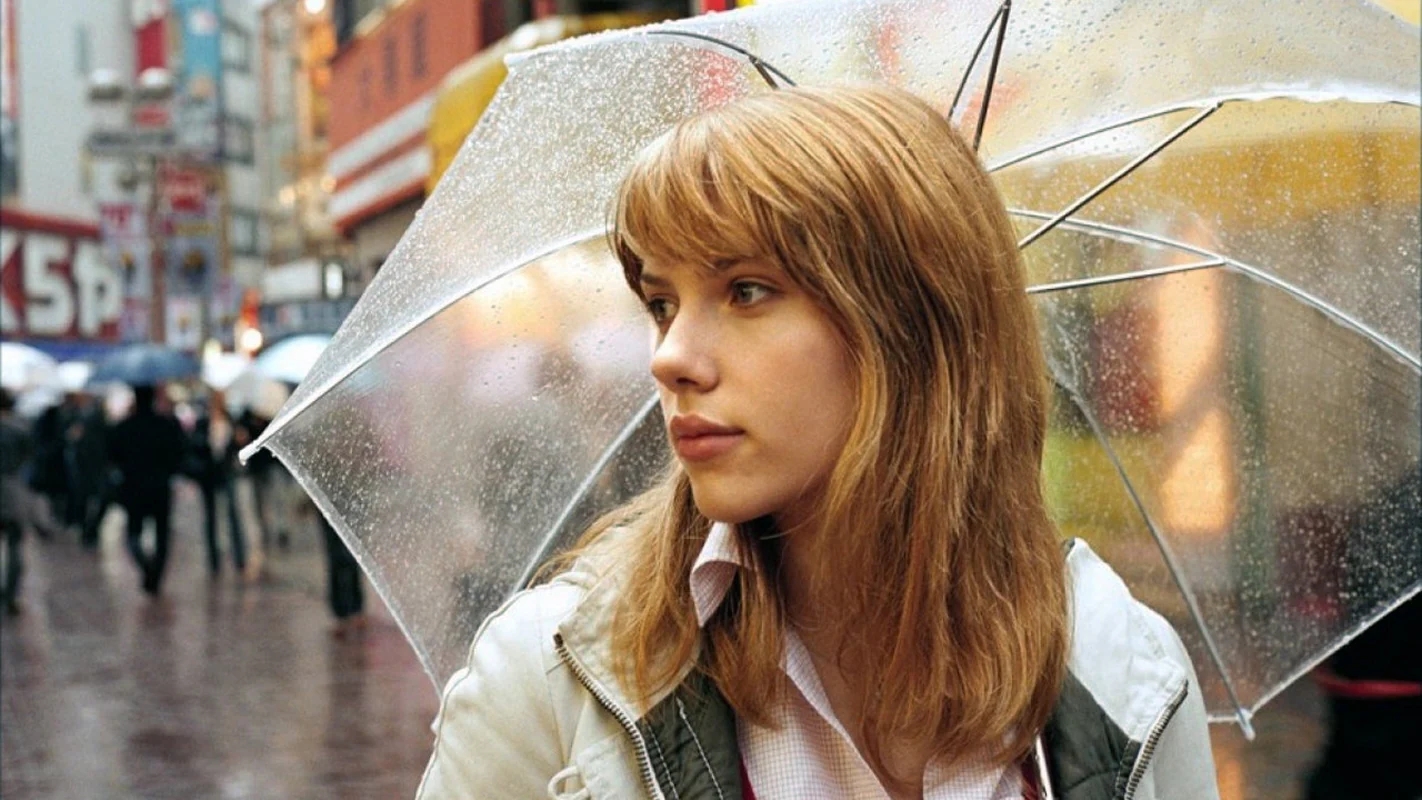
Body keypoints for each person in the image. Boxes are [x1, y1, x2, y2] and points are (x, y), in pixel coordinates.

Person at [416, 85, 1218, 800]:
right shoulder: (556, 678)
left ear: (910, 328)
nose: (669, 357)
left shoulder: (1122, 673)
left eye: (747, 291)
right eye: (662, 303)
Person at [107, 384, 187, 596]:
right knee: (162, 534)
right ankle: (155, 575)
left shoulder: (124, 426)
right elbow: (178, 453)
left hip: (133, 487)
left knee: (133, 533)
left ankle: (146, 567)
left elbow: (113, 455)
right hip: (160, 487)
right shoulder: (166, 424)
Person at [190, 394, 247, 576]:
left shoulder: (230, 421)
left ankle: (239, 557)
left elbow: (237, 448)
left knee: (233, 515)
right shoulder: (202, 422)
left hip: (226, 473)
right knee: (211, 518)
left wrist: (237, 440)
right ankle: (214, 560)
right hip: (208, 476)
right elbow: (194, 447)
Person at [1, 389, 33, 615]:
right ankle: (10, 593)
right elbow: (28, 459)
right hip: (12, 492)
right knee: (14, 545)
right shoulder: (19, 430)